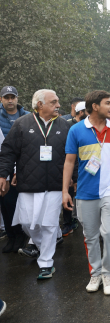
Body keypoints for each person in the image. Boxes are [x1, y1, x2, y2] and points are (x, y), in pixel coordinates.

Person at [63, 90, 110, 295]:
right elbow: (69, 161)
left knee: (109, 232)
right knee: (90, 236)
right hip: (85, 191)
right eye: (108, 103)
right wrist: (65, 190)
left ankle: (108, 273)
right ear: (94, 107)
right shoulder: (76, 130)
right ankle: (95, 273)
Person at [0, 89, 70, 279]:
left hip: (56, 183)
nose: (58, 105)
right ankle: (42, 246)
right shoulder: (22, 124)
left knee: (48, 224)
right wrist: (3, 175)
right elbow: (8, 152)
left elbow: (73, 156)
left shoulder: (64, 125)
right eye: (54, 102)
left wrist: (74, 179)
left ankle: (46, 263)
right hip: (28, 182)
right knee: (27, 224)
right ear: (40, 105)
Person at [0, 86, 29, 253]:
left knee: (13, 200)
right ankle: (10, 235)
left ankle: (19, 234)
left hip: (19, 164)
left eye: (13, 97)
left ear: (17, 98)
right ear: (1, 99)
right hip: (2, 162)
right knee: (3, 201)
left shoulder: (26, 117)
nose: (10, 100)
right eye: (6, 97)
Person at [62, 101, 88, 237]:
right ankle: (68, 223)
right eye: (88, 111)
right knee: (69, 195)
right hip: (70, 165)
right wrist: (72, 175)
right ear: (81, 112)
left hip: (86, 168)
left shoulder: (92, 126)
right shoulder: (68, 126)